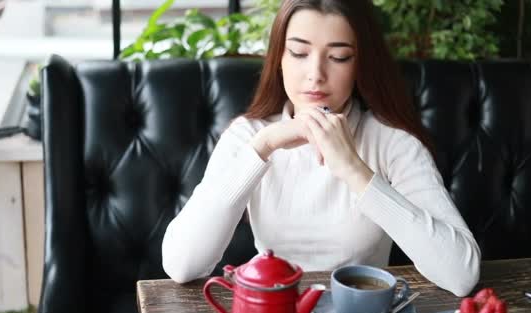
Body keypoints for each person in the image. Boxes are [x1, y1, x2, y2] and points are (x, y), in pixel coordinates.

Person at [162, 0, 480, 296]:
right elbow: (181, 264)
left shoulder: (392, 143)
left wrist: (354, 170)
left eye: (339, 57)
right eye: (299, 53)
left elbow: (461, 275)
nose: (315, 74)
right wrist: (263, 146)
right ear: (279, 60)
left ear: (360, 65)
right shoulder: (249, 135)